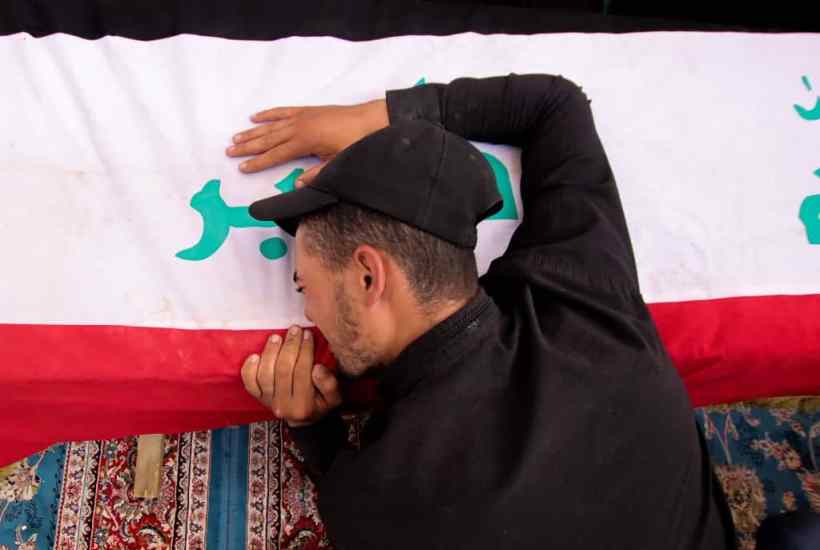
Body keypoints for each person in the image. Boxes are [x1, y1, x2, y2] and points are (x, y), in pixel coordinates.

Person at [226, 73, 737, 549]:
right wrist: (372, 118)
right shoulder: (583, 293)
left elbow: (343, 489)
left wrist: (312, 426)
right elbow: (555, 104)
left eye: (304, 284)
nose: (308, 311)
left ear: (368, 276)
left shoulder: (389, 497)